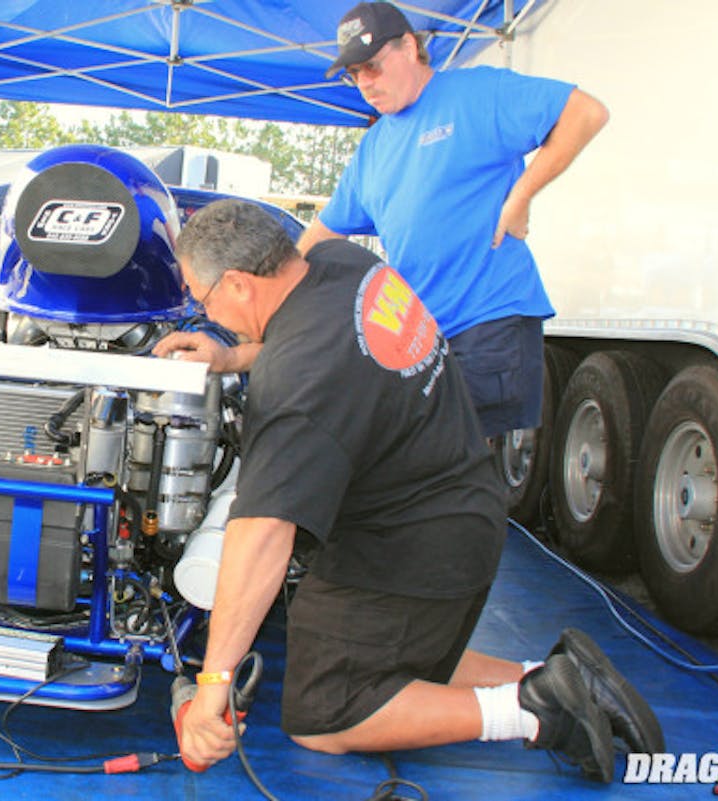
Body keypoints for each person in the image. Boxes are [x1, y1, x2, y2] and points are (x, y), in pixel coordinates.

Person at [153, 200, 662, 782]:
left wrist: (213, 686)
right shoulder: (341, 264)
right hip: (463, 505)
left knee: (325, 712)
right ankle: (557, 678)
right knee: (381, 655)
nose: (204, 310)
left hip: (411, 549)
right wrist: (234, 357)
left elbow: (262, 536)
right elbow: (328, 347)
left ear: (239, 283)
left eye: (203, 297)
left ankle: (533, 711)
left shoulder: (295, 386)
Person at [296, 1, 610, 438]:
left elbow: (585, 113)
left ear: (409, 47)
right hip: (419, 338)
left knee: (439, 463)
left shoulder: (476, 93)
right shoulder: (375, 147)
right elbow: (323, 233)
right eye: (354, 73)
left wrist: (520, 196)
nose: (365, 82)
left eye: (372, 66)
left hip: (487, 323)